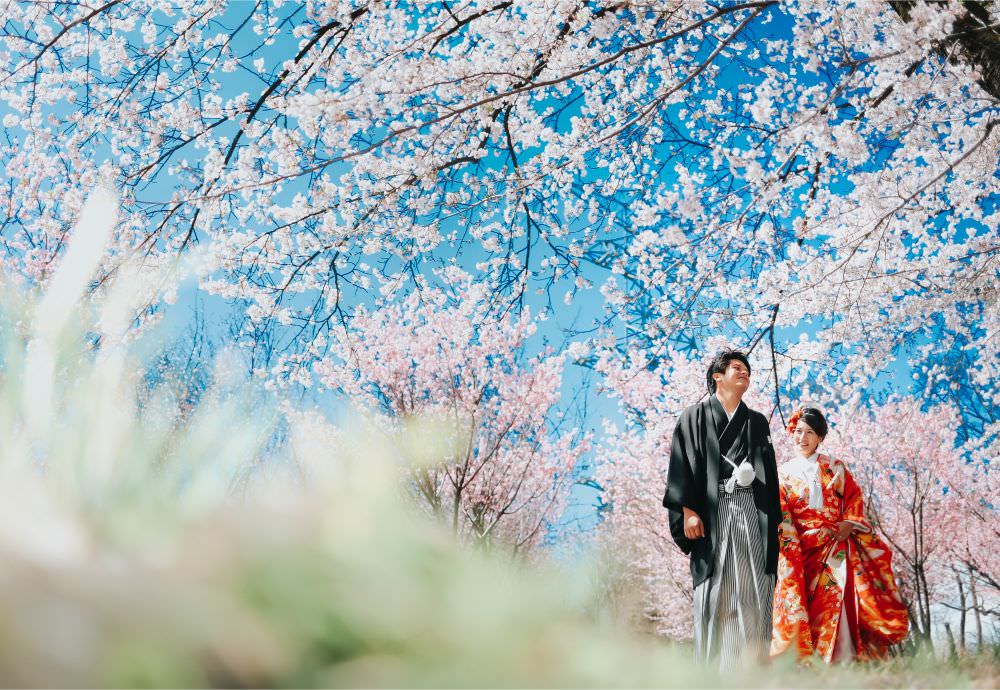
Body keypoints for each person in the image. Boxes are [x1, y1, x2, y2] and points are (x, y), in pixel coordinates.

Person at [663, 349, 781, 669]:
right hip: (712, 513)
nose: (745, 373)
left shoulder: (756, 422)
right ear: (717, 376)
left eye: (747, 370)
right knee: (716, 594)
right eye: (737, 368)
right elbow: (682, 463)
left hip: (751, 513)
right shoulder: (694, 416)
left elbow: (769, 475)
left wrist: (776, 524)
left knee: (755, 592)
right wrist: (687, 509)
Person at [770, 407, 909, 663]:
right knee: (804, 603)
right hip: (801, 547)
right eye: (798, 432)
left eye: (810, 432)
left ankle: (842, 659)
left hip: (835, 542)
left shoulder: (835, 467)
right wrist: (792, 544)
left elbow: (854, 497)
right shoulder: (783, 473)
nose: (803, 438)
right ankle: (808, 664)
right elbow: (782, 514)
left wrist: (848, 523)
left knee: (836, 596)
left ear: (820, 437)